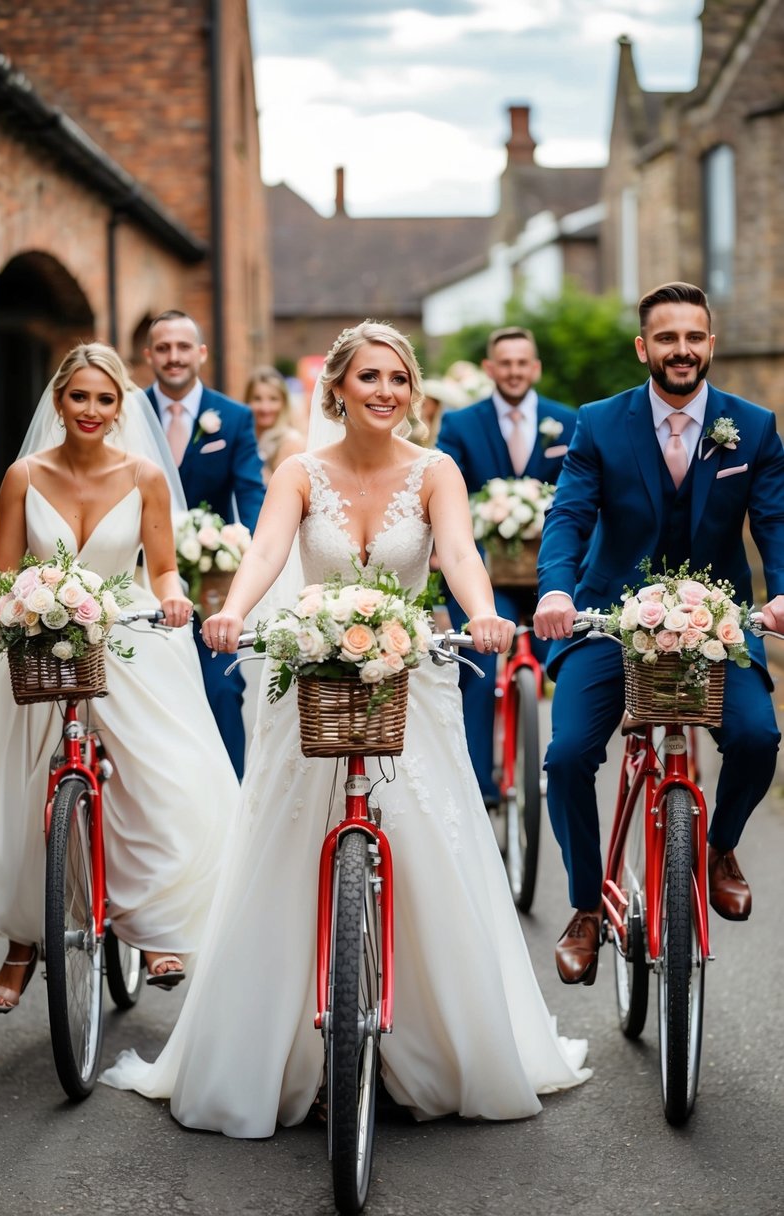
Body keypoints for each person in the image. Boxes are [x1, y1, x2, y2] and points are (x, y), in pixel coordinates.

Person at [100, 319, 590, 1132]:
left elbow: (462, 556)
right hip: (316, 681)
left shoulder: (436, 471)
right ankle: (286, 1043)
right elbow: (264, 552)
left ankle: (424, 1043)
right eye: (369, 378)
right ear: (337, 388)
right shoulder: (299, 471)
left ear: (413, 391)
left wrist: (480, 615)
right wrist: (232, 611)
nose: (386, 392)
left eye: (398, 379)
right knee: (285, 849)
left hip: (406, 679)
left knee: (435, 846)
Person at [0, 342, 238, 1010]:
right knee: (19, 786)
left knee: (161, 772)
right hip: (37, 631)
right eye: (78, 396)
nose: (90, 409)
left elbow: (161, 567)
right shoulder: (23, 475)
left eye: (104, 399)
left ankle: (155, 927)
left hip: (125, 629)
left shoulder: (143, 475)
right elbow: (2, 571)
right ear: (59, 401)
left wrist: (172, 596)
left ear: (120, 409)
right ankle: (24, 942)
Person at [534, 282, 784, 986]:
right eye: (666, 338)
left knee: (756, 738)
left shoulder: (753, 428)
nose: (681, 350)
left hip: (719, 620)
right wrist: (555, 587)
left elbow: (774, 522)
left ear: (710, 344)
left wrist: (781, 591)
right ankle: (586, 906)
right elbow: (568, 516)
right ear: (643, 347)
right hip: (609, 619)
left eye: (693, 337)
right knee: (567, 755)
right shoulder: (599, 423)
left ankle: (718, 849)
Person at [437, 326, 577, 805]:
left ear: (534, 368)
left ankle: (554, 773)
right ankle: (481, 787)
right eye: (505, 363)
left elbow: (581, 497)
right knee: (477, 664)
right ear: (491, 369)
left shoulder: (568, 421)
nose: (515, 371)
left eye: (523, 363)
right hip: (481, 575)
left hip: (549, 577)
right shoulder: (460, 424)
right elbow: (444, 492)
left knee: (563, 664)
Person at [144, 310, 266, 778]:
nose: (173, 357)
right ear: (149, 355)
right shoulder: (128, 411)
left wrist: (252, 546)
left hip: (213, 585)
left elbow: (250, 491)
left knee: (221, 689)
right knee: (151, 696)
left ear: (200, 354)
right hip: (143, 582)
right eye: (163, 348)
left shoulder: (234, 419)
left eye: (182, 347)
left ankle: (233, 797)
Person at [243, 365, 305, 482]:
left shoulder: (290, 441)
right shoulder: (244, 436)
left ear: (284, 402)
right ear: (247, 401)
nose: (265, 408)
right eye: (257, 399)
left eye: (273, 399)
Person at [413, 376, 468, 448]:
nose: (422, 407)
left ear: (436, 405)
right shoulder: (417, 425)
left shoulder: (446, 428)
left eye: (425, 404)